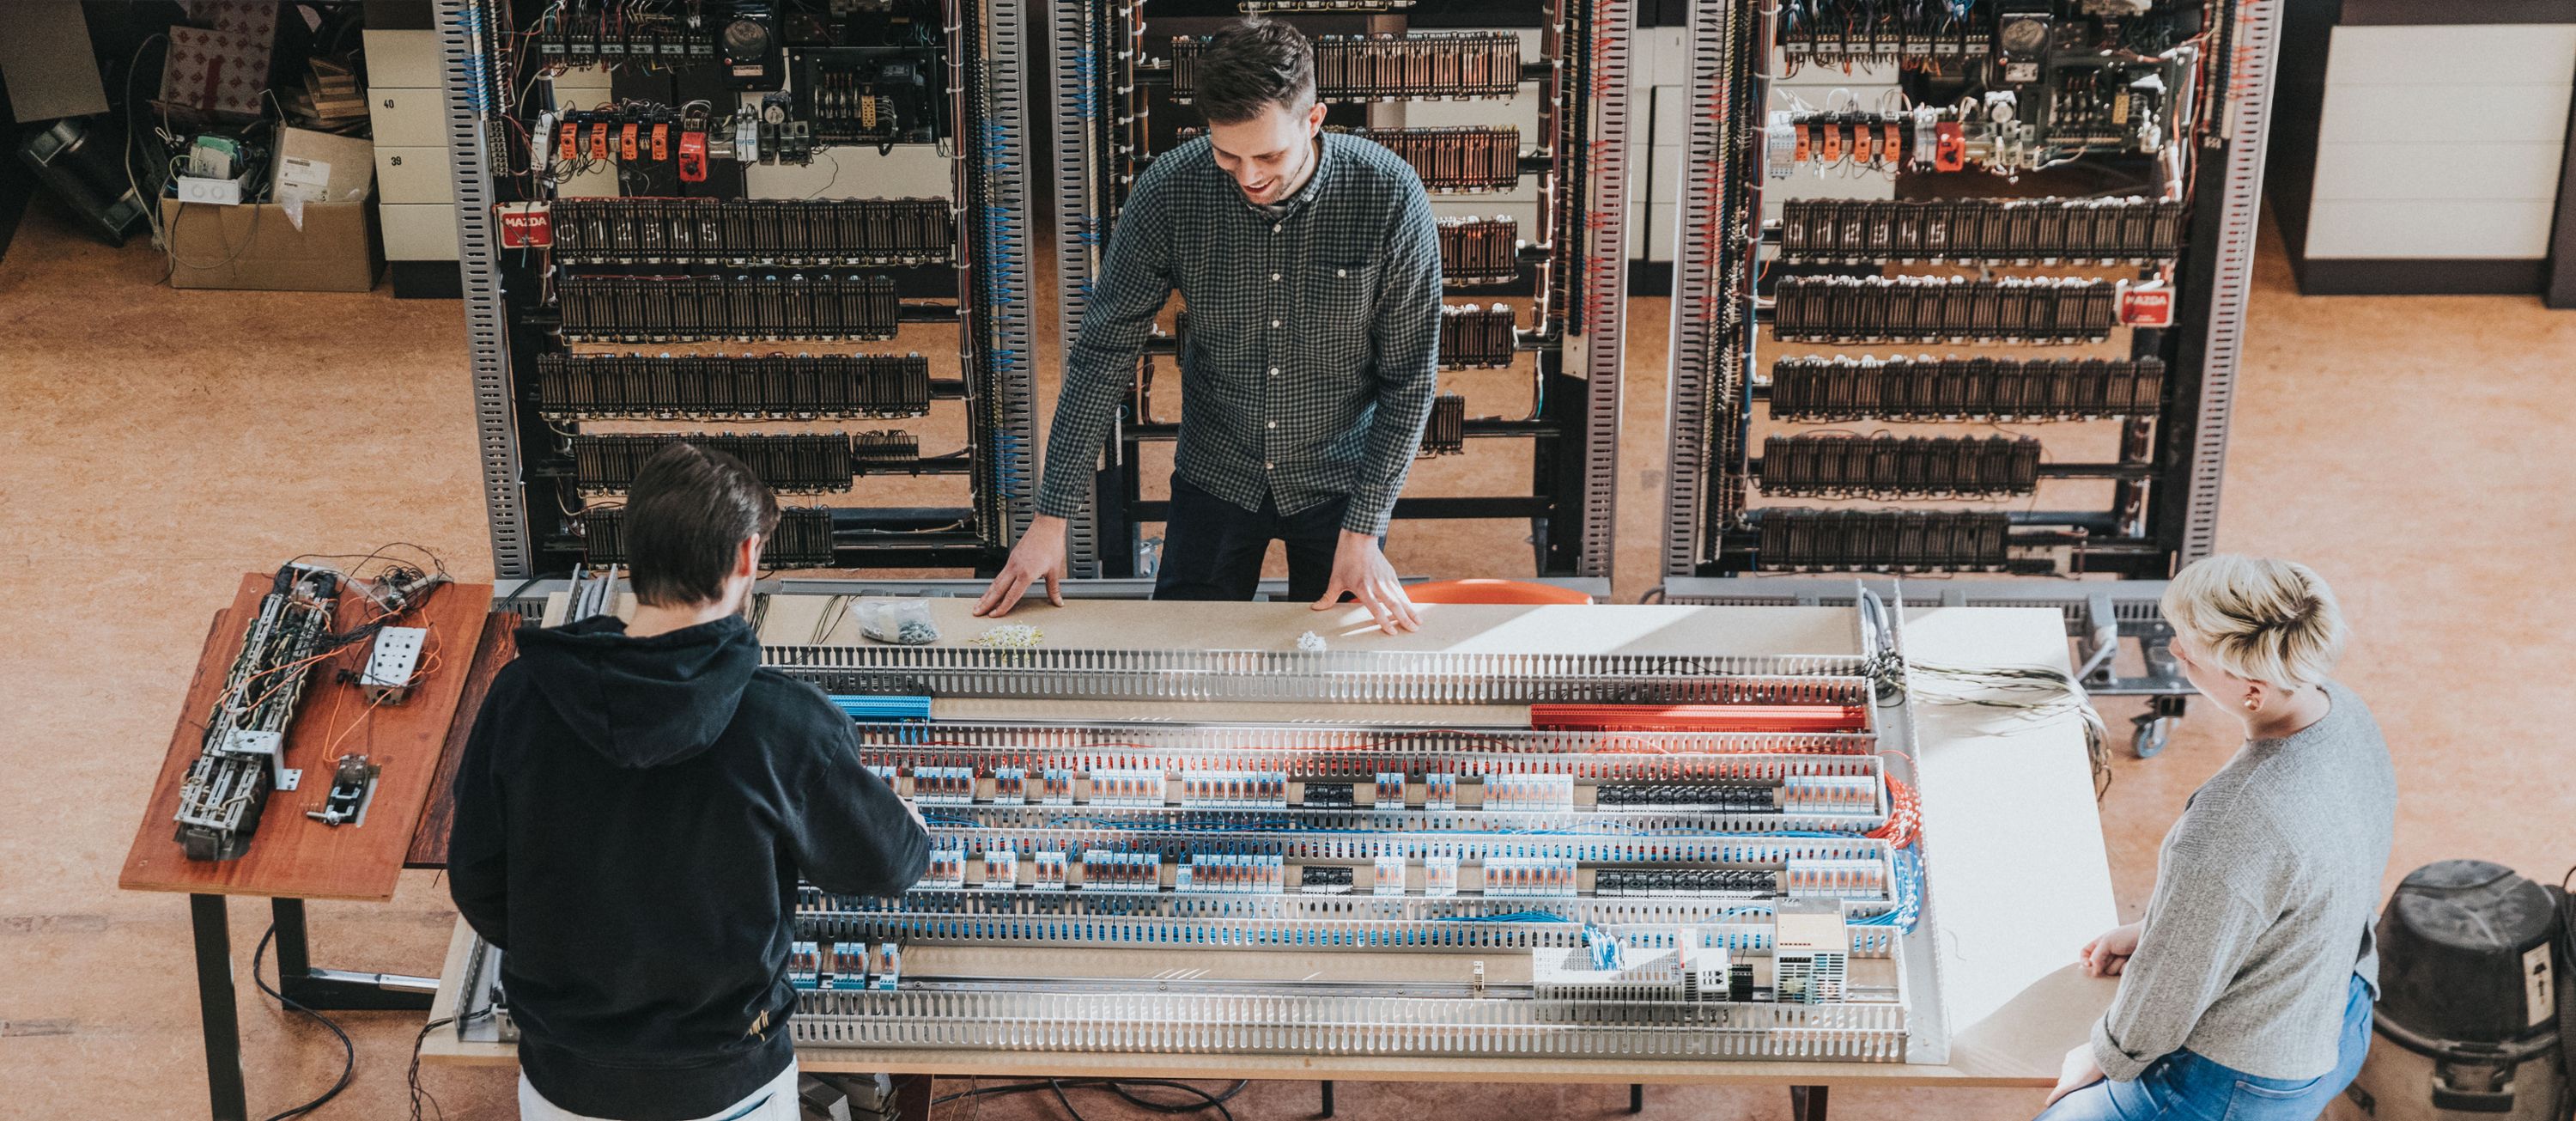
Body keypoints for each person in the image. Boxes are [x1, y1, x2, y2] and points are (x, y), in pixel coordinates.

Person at [448, 443, 931, 1121]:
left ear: (635, 552)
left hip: (566, 1077)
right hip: (730, 1085)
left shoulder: (522, 696)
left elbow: (476, 879)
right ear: (746, 557)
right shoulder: (785, 723)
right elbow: (891, 863)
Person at [973, 16, 1441, 635]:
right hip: (1218, 469)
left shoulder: (1390, 196)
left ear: (1314, 119)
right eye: (1227, 153)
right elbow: (1102, 355)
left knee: (1339, 681)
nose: (1248, 176)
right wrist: (1052, 517)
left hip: (1339, 478)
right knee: (1180, 663)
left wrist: (1365, 525)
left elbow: (1410, 380)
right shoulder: (1168, 190)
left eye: (1269, 154)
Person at [2039, 555, 2395, 1121]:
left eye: (2189, 650)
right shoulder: (2342, 711)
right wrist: (2163, 923)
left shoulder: (2234, 816)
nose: (2174, 650)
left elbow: (2170, 988)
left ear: (2252, 691)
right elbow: (2295, 877)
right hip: (2340, 1010)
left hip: (2242, 1079)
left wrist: (2102, 1055)